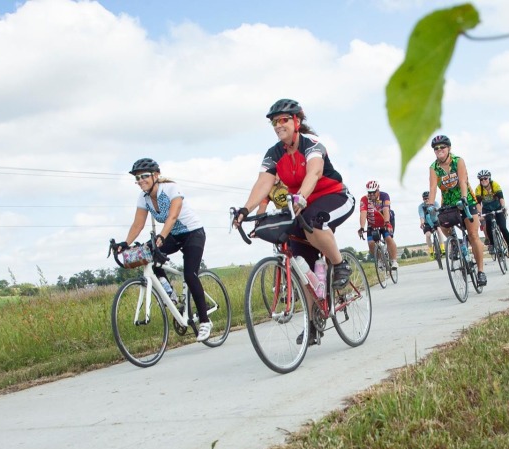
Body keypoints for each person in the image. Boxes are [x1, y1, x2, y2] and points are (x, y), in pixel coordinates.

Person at [234, 99, 356, 344]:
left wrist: (301, 196)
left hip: (334, 196)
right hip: (302, 205)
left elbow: (314, 173)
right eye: (274, 122)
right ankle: (313, 325)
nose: (278, 125)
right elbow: (263, 184)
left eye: (283, 120)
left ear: (296, 122)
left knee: (315, 223)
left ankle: (340, 264)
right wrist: (245, 210)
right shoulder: (274, 153)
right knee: (303, 266)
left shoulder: (312, 144)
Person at [116, 158, 212, 341]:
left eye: (144, 176)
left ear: (156, 175)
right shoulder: (143, 198)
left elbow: (174, 215)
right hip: (172, 235)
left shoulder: (170, 188)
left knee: (190, 274)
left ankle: (205, 322)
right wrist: (125, 243)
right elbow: (137, 224)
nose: (140, 180)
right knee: (151, 259)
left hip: (193, 233)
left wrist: (161, 236)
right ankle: (173, 297)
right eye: (137, 178)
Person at [427, 135, 487, 286]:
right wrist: (430, 205)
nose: (439, 150)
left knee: (473, 235)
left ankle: (480, 272)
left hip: (466, 200)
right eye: (436, 148)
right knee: (443, 226)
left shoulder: (458, 161)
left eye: (442, 147)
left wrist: (464, 197)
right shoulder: (433, 168)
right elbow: (433, 188)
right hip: (448, 203)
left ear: (449, 148)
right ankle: (457, 243)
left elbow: (462, 181)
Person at [357, 179, 398, 270]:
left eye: (373, 192)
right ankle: (380, 259)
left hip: (385, 220)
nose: (371, 195)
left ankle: (394, 260)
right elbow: (363, 213)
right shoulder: (364, 199)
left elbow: (386, 209)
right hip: (373, 223)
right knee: (371, 243)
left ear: (378, 190)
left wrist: (387, 223)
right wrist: (362, 227)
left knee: (388, 238)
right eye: (369, 193)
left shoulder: (384, 196)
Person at [474, 169, 509, 259]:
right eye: (481, 179)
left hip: (497, 208)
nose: (483, 180)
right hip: (487, 209)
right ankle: (492, 244)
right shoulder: (478, 189)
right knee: (487, 225)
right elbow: (478, 203)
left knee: (503, 227)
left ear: (489, 178)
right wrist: (479, 213)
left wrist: (503, 207)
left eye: (485, 178)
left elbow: (501, 197)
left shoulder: (495, 185)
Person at [417, 191, 444, 258]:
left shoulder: (435, 203)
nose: (426, 200)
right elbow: (421, 215)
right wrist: (422, 222)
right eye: (424, 198)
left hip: (435, 221)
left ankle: (442, 248)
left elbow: (438, 209)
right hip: (427, 223)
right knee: (428, 235)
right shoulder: (421, 206)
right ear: (423, 199)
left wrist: (434, 209)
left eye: (427, 198)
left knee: (439, 231)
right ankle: (431, 251)